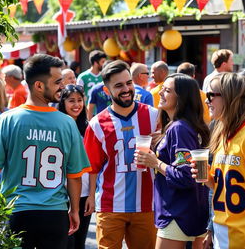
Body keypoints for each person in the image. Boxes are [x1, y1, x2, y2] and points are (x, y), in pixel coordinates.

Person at [0, 54, 91, 249]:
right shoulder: (67, 124)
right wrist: (74, 210)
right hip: (54, 213)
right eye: (57, 82)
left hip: (15, 211)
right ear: (39, 86)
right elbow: (74, 176)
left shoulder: (6, 120)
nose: (62, 86)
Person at [84, 60, 158, 249]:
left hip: (147, 205)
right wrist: (91, 197)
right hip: (110, 205)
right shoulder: (97, 124)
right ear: (107, 91)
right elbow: (92, 166)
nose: (126, 89)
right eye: (119, 85)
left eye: (128, 83)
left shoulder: (153, 116)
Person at [135, 73, 210, 249]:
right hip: (193, 210)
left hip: (177, 213)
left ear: (181, 98)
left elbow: (185, 176)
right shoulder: (183, 126)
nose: (160, 92)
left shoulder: (179, 129)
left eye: (167, 90)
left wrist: (155, 163)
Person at [191, 72, 245, 249]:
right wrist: (209, 180)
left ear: (230, 98)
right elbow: (226, 188)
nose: (206, 101)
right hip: (222, 233)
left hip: (244, 238)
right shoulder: (222, 134)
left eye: (211, 95)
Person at [58, 84, 94, 249]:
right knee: (65, 242)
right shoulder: (56, 126)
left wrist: (92, 195)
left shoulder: (89, 128)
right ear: (63, 102)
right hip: (60, 195)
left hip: (84, 193)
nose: (76, 105)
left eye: (80, 100)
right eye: (71, 101)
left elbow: (94, 164)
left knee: (80, 242)